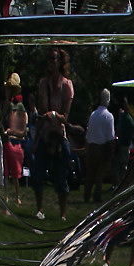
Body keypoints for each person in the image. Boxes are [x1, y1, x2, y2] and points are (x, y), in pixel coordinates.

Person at [32, 47, 74, 220]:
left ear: (60, 62)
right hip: (45, 134)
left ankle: (62, 213)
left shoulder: (67, 85)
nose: (50, 62)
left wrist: (54, 115)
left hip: (59, 135)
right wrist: (35, 142)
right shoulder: (43, 84)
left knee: (61, 176)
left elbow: (66, 116)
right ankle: (40, 209)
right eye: (49, 59)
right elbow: (41, 115)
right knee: (37, 173)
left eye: (54, 59)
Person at [84, 88, 116, 204]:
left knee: (90, 174)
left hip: (92, 147)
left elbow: (88, 133)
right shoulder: (109, 116)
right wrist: (112, 151)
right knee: (99, 175)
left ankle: (86, 196)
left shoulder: (93, 114)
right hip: (102, 148)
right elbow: (111, 136)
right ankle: (96, 196)